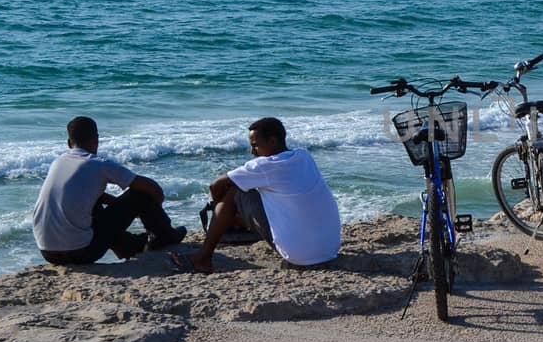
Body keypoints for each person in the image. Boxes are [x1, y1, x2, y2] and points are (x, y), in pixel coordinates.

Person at [177, 117, 341, 273]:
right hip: (329, 248)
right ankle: (234, 222)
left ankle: (202, 258)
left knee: (235, 191)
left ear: (272, 141)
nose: (252, 151)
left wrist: (218, 206)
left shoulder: (264, 166)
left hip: (300, 255)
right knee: (251, 189)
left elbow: (216, 185)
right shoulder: (304, 156)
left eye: (255, 145)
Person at [32, 116, 186, 265]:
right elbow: (153, 189)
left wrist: (120, 207)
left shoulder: (57, 162)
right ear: (96, 140)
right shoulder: (99, 164)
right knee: (140, 194)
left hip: (47, 253)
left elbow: (81, 198)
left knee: (95, 201)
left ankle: (129, 245)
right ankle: (164, 236)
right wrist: (150, 210)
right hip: (82, 252)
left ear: (68, 143)